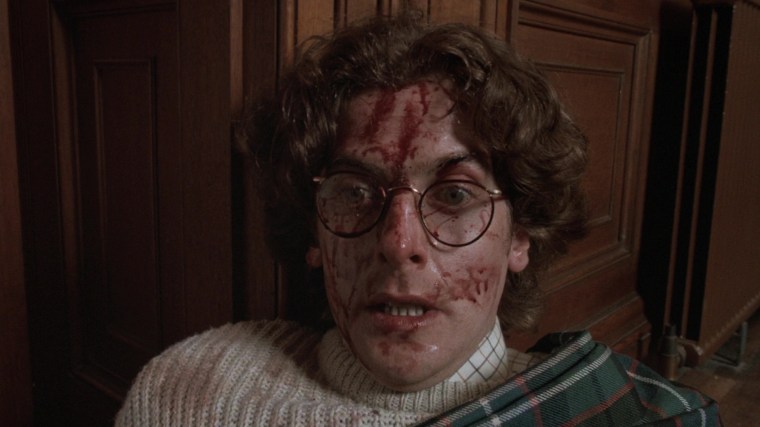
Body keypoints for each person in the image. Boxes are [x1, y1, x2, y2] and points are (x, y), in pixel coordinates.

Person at [116, 14, 720, 426]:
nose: (398, 241)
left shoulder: (630, 414)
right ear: (313, 232)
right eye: (355, 192)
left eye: (455, 195)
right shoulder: (186, 391)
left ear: (521, 236)